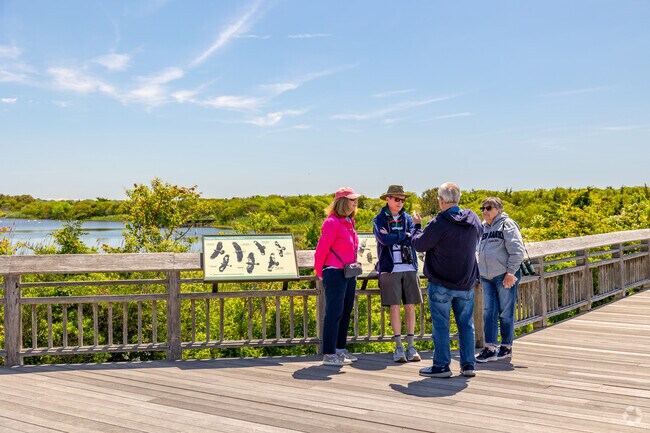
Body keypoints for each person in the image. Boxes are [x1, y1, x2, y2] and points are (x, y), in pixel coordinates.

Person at [411, 182, 483, 378]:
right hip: (466, 282)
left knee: (441, 326)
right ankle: (468, 365)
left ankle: (442, 366)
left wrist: (416, 226)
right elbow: (479, 236)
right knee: (466, 325)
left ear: (441, 201)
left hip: (441, 283)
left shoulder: (439, 222)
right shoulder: (473, 218)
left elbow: (419, 244)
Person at [373, 185, 423, 363]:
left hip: (409, 267)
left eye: (403, 200)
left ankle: (411, 345)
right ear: (388, 199)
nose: (400, 203)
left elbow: (414, 239)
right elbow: (383, 239)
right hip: (390, 269)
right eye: (396, 199)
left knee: (410, 307)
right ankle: (398, 346)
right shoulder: (379, 219)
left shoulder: (408, 218)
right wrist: (404, 235)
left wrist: (399, 235)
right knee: (394, 307)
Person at [314, 187, 362, 366]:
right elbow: (321, 250)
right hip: (334, 272)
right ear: (342, 202)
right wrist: (320, 272)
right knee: (334, 313)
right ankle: (328, 353)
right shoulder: (331, 222)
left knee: (345, 312)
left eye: (356, 200)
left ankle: (340, 350)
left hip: (349, 272)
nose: (355, 202)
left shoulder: (349, 222)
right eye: (351, 200)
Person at [476, 197, 525, 362]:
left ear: (499, 209)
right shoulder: (483, 228)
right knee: (488, 312)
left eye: (488, 208)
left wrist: (511, 272)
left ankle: (506, 346)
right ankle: (490, 348)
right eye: (482, 208)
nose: (484, 211)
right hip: (486, 277)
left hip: (505, 275)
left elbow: (518, 250)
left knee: (505, 312)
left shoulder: (507, 224)